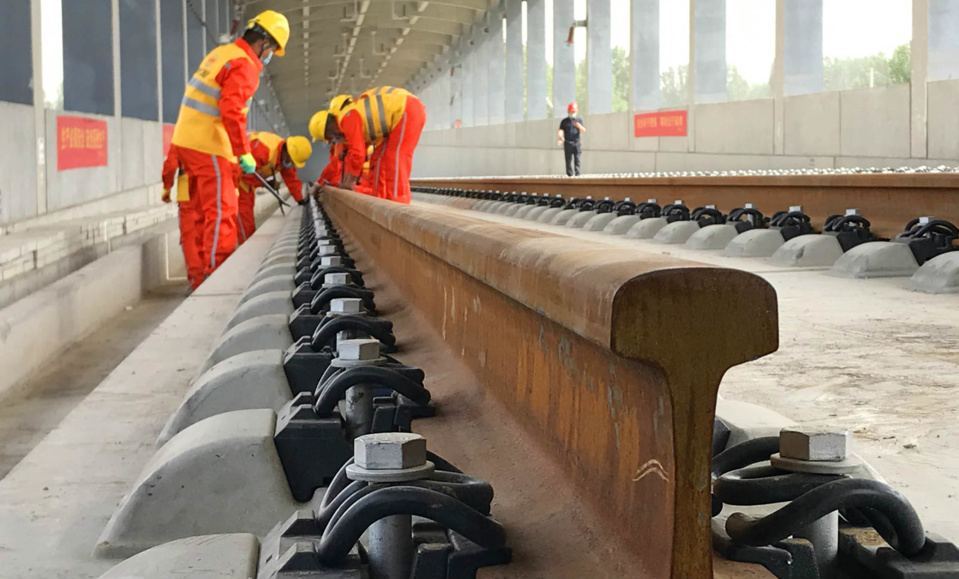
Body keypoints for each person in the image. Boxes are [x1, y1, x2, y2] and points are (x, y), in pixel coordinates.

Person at [168, 10, 289, 278]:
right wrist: (243, 153)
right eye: (271, 51)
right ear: (263, 42)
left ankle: (199, 279)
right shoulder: (244, 64)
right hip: (209, 143)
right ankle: (216, 276)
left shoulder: (221, 53)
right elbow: (232, 111)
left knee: (201, 216)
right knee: (222, 212)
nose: (269, 57)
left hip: (186, 142)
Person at [324, 86, 426, 204]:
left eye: (330, 137)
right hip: (397, 117)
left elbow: (358, 153)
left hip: (407, 108)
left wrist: (348, 182)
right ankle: (381, 199)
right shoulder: (354, 114)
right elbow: (353, 154)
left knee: (395, 158)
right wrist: (347, 181)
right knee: (378, 159)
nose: (334, 140)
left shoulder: (348, 117)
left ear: (329, 128)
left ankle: (399, 203)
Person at [236, 132, 311, 243]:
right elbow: (245, 173)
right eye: (291, 161)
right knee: (244, 220)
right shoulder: (263, 149)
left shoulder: (283, 156)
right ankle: (245, 248)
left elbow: (292, 179)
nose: (290, 165)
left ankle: (247, 242)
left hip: (247, 186)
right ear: (287, 152)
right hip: (236, 181)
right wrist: (267, 183)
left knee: (247, 220)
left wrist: (300, 199)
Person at [161, 144, 205, 290]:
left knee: (190, 241)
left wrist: (167, 187)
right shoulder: (212, 132)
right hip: (209, 194)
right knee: (208, 236)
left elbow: (171, 164)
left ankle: (197, 283)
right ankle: (211, 276)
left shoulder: (183, 136)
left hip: (188, 197)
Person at [557, 102, 586, 177]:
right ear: (568, 111)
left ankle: (577, 173)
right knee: (568, 159)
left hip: (576, 142)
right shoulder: (564, 121)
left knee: (577, 158)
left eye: (573, 112)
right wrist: (560, 137)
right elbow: (561, 130)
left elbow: (584, 130)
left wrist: (578, 126)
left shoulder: (579, 120)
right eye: (571, 112)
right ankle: (569, 174)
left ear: (576, 111)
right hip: (567, 143)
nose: (572, 113)